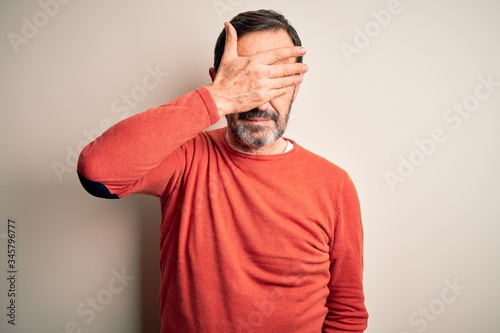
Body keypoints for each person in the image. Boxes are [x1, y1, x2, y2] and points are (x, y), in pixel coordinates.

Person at [77, 9, 368, 333]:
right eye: (247, 79)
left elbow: (347, 313)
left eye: (274, 78)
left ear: (296, 87)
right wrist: (217, 98)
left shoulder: (334, 186)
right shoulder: (186, 158)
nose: (259, 98)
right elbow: (97, 171)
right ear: (219, 80)